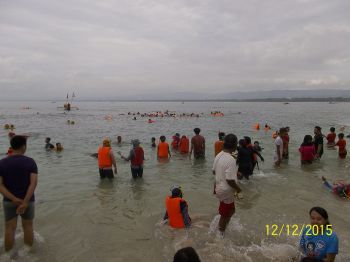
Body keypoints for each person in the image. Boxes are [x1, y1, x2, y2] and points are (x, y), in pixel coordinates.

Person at [0, 135, 38, 251]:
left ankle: (8, 255)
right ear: (23, 146)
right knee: (28, 227)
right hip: (28, 201)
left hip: (9, 201)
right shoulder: (30, 162)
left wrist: (13, 199)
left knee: (9, 228)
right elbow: (33, 184)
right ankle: (28, 254)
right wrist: (25, 202)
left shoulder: (2, 163)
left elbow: (0, 185)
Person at [212, 134, 242, 235]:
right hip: (226, 190)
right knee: (225, 215)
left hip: (219, 187)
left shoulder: (219, 155)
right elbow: (230, 180)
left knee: (231, 210)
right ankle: (221, 234)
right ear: (234, 145)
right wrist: (239, 189)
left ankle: (223, 228)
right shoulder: (231, 159)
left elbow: (214, 171)